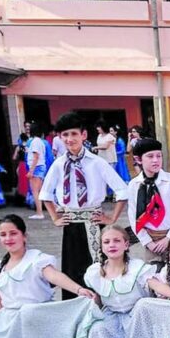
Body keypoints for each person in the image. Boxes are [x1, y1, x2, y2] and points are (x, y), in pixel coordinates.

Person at [0, 215, 95, 338]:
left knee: (27, 312)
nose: (8, 238)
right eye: (3, 235)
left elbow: (54, 276)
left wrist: (78, 289)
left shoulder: (36, 259)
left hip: (37, 317)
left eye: (13, 233)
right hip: (10, 322)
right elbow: (0, 304)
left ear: (24, 236)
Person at [40, 112, 129, 300]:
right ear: (59, 137)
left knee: (98, 269)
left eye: (73, 134)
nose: (69, 139)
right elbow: (45, 194)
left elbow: (122, 191)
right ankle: (75, 312)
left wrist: (112, 218)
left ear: (84, 135)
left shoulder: (97, 163)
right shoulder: (59, 164)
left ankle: (101, 309)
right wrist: (55, 217)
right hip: (71, 225)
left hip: (95, 224)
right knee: (73, 269)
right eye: (65, 135)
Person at [127, 138, 170, 262]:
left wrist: (169, 238)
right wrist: (147, 242)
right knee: (154, 274)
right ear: (138, 159)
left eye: (159, 156)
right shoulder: (134, 185)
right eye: (150, 156)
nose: (156, 160)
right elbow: (133, 216)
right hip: (151, 241)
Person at [26, 122, 47, 219]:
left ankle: (39, 213)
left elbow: (35, 157)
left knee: (35, 191)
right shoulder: (41, 142)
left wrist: (31, 171)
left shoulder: (35, 142)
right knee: (41, 191)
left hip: (36, 167)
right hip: (40, 167)